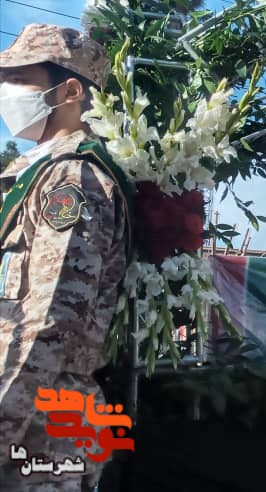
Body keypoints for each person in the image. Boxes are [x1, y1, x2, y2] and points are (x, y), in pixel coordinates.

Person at [0, 24, 133, 491]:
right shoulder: (34, 174)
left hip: (39, 429)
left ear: (71, 91)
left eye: (19, 79)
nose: (5, 92)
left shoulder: (72, 179)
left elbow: (51, 320)